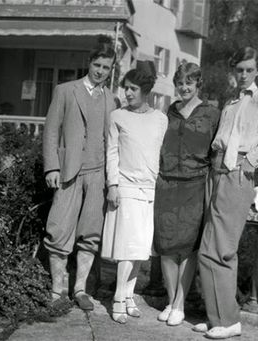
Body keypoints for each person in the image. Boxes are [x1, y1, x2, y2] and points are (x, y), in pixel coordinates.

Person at [194, 46, 258, 339]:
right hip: (216, 173)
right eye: (239, 69)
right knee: (208, 247)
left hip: (238, 173)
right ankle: (216, 317)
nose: (243, 74)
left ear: (257, 71)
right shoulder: (231, 102)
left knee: (223, 249)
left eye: (249, 69)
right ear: (233, 70)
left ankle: (229, 321)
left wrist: (255, 158)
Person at [42, 46, 118, 310]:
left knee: (90, 233)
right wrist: (51, 167)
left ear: (111, 70)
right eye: (97, 65)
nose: (100, 71)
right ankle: (57, 290)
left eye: (106, 68)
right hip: (68, 172)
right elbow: (51, 131)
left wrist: (112, 180)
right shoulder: (65, 90)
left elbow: (113, 142)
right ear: (90, 63)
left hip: (98, 174)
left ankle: (79, 289)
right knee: (59, 228)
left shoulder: (111, 99)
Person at [153, 63, 221, 326]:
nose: (184, 87)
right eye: (180, 83)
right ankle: (171, 302)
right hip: (167, 183)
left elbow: (218, 154)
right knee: (167, 246)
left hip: (196, 183)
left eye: (189, 83)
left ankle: (180, 304)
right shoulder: (169, 111)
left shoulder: (213, 114)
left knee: (189, 248)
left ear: (198, 84)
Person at [101, 67, 168, 324]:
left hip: (150, 190)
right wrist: (113, 185)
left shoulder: (161, 119)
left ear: (146, 91)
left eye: (133, 89)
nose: (127, 93)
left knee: (140, 249)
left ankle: (129, 295)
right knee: (127, 248)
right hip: (126, 188)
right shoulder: (117, 116)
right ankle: (118, 297)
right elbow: (112, 153)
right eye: (125, 87)